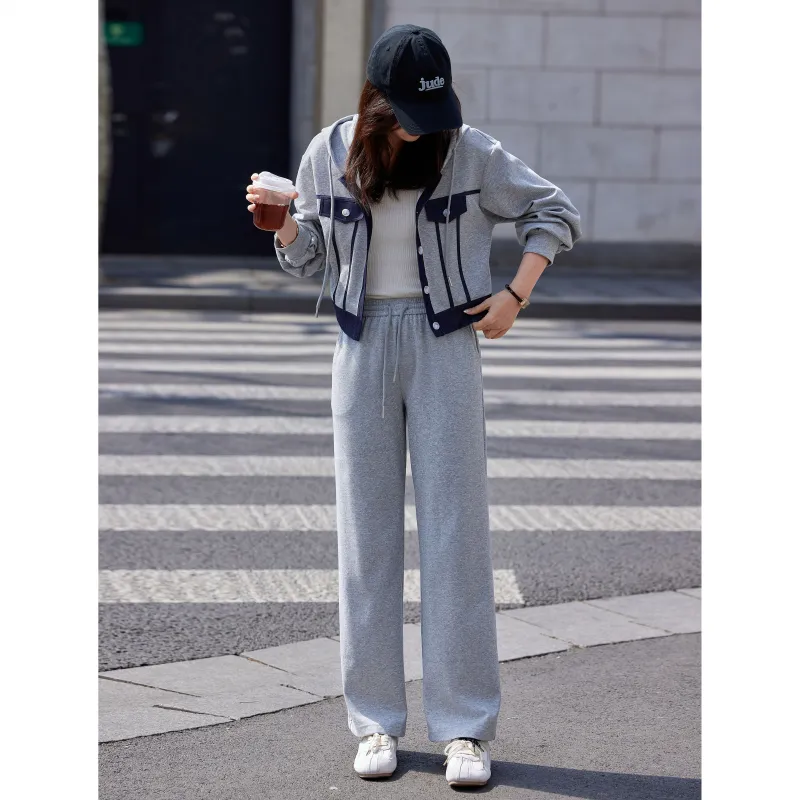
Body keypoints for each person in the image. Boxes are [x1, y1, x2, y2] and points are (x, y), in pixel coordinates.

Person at [246, 23, 581, 788]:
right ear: (375, 104)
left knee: (456, 537)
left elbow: (554, 211)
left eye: (429, 115)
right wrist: (284, 223)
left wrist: (516, 294)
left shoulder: (470, 151)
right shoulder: (329, 154)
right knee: (366, 540)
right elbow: (310, 258)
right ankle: (374, 722)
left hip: (445, 347)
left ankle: (465, 729)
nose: (418, 131)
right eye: (404, 117)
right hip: (362, 347)